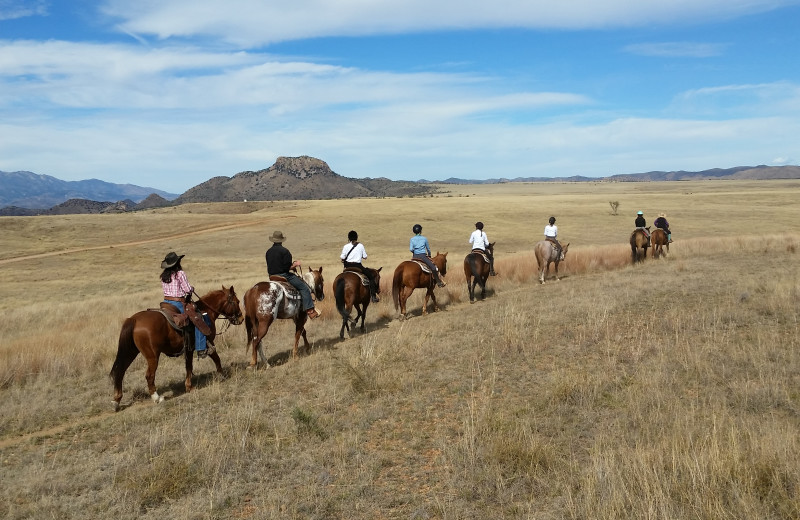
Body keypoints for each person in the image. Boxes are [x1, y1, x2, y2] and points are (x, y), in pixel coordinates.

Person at [160, 251, 214, 358]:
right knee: (198, 318)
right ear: (177, 263)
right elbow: (187, 289)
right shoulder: (180, 274)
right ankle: (200, 348)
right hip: (178, 302)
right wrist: (191, 289)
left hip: (166, 303)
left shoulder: (163, 276)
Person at [265, 230, 320, 319]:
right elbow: (287, 267)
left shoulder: (268, 252)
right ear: (281, 240)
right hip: (284, 275)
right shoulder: (285, 251)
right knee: (304, 288)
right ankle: (310, 310)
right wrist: (295, 265)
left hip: (272, 276)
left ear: (273, 240)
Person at [341, 230, 380, 302]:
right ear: (356, 237)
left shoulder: (345, 246)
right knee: (371, 277)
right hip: (357, 266)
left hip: (347, 267)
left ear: (349, 238)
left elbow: (342, 258)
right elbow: (365, 257)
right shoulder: (360, 245)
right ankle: (373, 296)